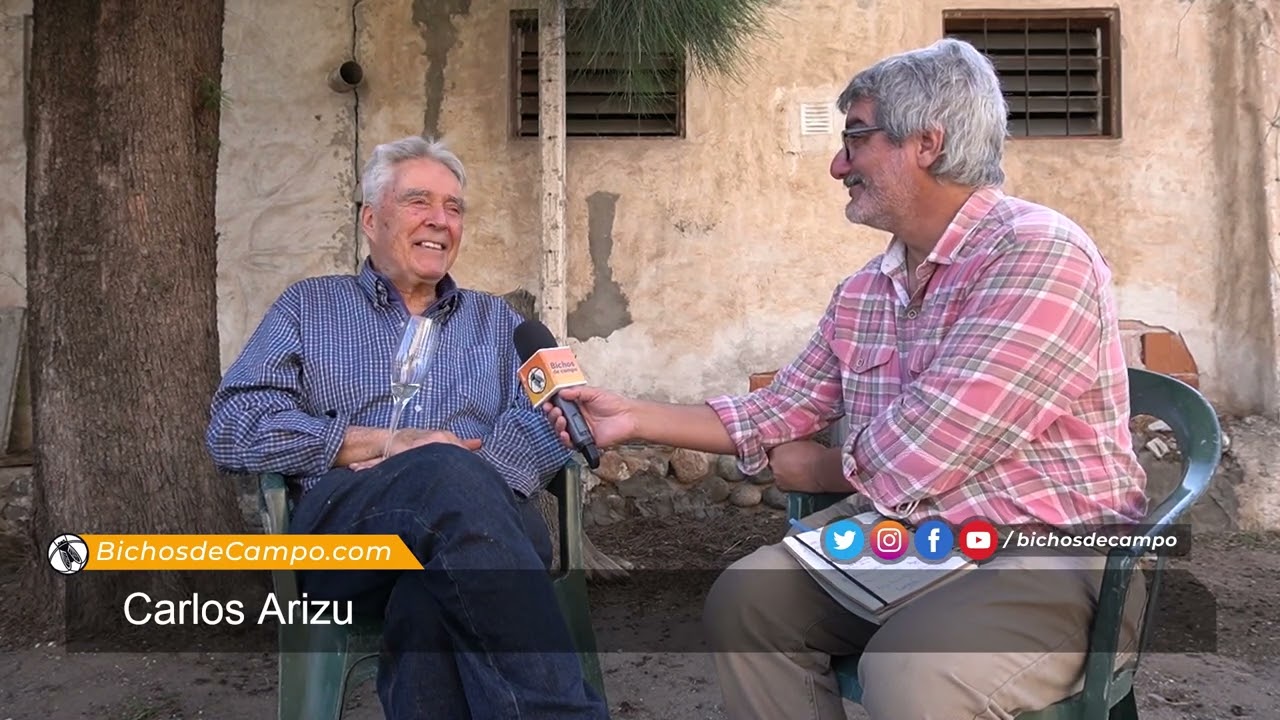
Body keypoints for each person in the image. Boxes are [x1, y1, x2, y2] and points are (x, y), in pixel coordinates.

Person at [543, 38, 1149, 719]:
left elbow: (934, 446)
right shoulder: (867, 289)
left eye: (855, 139)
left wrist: (821, 468)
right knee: (748, 604)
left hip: (1043, 550)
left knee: (914, 671)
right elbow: (781, 407)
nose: (838, 164)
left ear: (926, 142)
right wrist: (630, 417)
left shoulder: (1039, 253)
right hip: (915, 537)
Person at [205, 136, 608, 720]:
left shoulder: (501, 323)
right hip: (348, 530)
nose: (440, 222)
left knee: (431, 586)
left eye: (454, 208)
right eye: (419, 202)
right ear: (372, 219)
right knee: (442, 477)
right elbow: (234, 425)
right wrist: (381, 444)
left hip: (491, 525)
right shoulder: (308, 308)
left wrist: (466, 479)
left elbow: (551, 417)